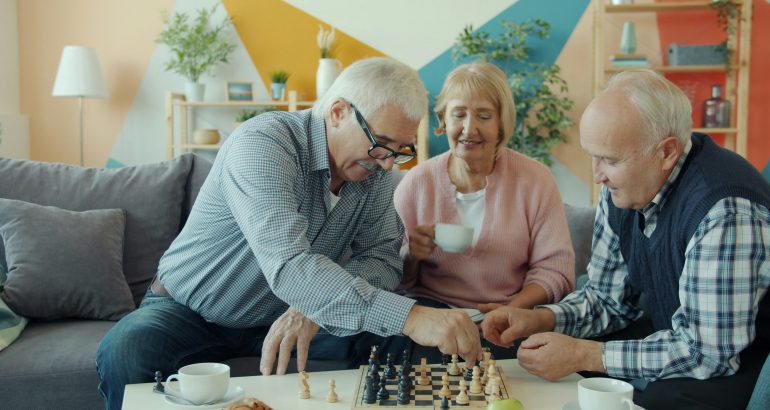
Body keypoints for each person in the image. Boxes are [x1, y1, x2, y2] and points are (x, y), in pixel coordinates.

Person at [95, 57, 482, 409]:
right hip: (189, 312)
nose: (387, 164)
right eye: (381, 145)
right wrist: (409, 316)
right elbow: (290, 265)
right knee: (127, 349)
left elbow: (382, 259)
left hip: (286, 315)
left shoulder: (376, 174)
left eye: (400, 150)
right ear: (338, 112)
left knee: (409, 336)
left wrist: (312, 307)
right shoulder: (264, 144)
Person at [481, 69, 770, 409]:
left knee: (654, 399)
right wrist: (541, 318)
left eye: (609, 160)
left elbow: (706, 352)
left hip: (740, 361)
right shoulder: (624, 187)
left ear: (666, 152)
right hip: (678, 337)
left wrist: (584, 354)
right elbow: (608, 299)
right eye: (593, 156)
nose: (597, 176)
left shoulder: (725, 211)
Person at [392, 61, 575, 361]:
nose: (469, 128)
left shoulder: (535, 181)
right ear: (442, 120)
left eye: (484, 116)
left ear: (502, 123)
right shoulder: (417, 183)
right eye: (459, 114)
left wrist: (512, 309)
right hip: (434, 318)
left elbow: (556, 271)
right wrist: (411, 255)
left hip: (510, 317)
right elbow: (388, 276)